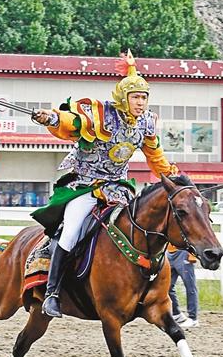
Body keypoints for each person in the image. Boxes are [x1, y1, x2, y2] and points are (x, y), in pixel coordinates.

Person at [30, 50, 179, 318]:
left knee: (144, 228)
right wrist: (50, 117)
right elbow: (71, 121)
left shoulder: (146, 123)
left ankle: (146, 290)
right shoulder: (101, 114)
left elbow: (155, 156)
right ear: (124, 98)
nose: (141, 103)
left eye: (144, 97)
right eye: (136, 97)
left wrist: (173, 179)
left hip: (120, 189)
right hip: (86, 186)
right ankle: (52, 293)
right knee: (71, 231)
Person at [167, 244, 200, 328]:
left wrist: (192, 254)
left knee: (190, 286)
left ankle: (193, 318)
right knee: (167, 286)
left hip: (183, 253)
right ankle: (177, 314)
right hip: (169, 252)